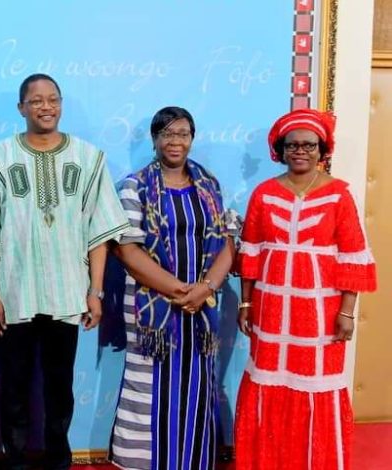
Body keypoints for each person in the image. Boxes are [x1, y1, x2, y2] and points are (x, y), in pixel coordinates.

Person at [0, 73, 130, 469]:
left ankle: (59, 459)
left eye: (53, 99)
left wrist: (94, 291)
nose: (46, 107)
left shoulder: (88, 158)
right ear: (21, 107)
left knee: (60, 386)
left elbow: (99, 233)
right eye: (37, 100)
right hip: (15, 292)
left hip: (68, 292)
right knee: (14, 385)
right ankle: (17, 460)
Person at [234, 109, 377, 469]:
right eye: (293, 145)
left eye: (309, 145)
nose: (301, 151)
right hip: (269, 312)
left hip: (320, 314)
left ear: (322, 149)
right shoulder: (264, 194)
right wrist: (245, 305)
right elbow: (250, 251)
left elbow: (353, 256)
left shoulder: (339, 195)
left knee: (318, 386)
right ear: (281, 150)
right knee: (268, 381)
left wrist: (346, 312)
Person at [110, 106, 234, 469]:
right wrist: (181, 291)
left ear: (192, 139)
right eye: (168, 134)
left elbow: (227, 243)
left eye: (183, 134)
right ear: (155, 139)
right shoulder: (134, 187)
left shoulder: (209, 186)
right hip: (155, 313)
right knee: (148, 385)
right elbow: (127, 250)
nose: (175, 141)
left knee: (197, 385)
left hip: (202, 309)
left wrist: (205, 288)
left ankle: (193, 461)